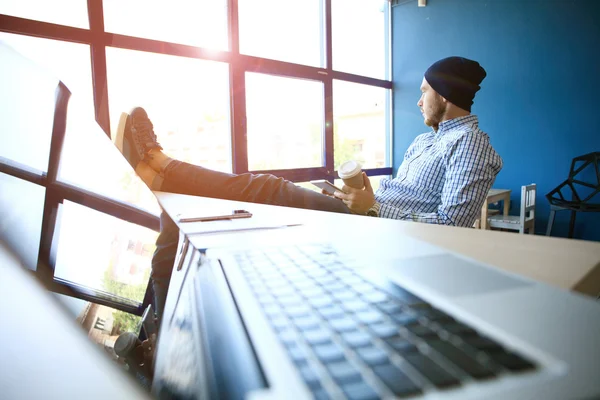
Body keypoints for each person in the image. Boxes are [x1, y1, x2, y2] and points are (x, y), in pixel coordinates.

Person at [114, 56, 502, 321]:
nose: (418, 100)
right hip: (371, 218)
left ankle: (164, 168)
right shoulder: (425, 141)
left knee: (270, 188)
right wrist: (364, 193)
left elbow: (452, 226)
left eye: (424, 91)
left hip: (385, 232)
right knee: (178, 207)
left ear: (445, 95)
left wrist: (373, 209)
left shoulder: (469, 142)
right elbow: (406, 195)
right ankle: (163, 184)